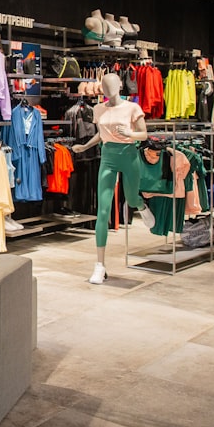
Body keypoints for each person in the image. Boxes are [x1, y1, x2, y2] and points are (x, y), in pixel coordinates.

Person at [72, 72, 154, 284]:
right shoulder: (99, 109)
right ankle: (100, 265)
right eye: (104, 86)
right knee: (103, 210)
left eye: (111, 85)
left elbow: (144, 134)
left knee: (132, 197)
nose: (108, 90)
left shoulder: (132, 108)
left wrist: (130, 134)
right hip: (108, 157)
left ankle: (142, 206)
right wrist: (86, 146)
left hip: (129, 155)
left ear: (119, 85)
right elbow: (102, 133)